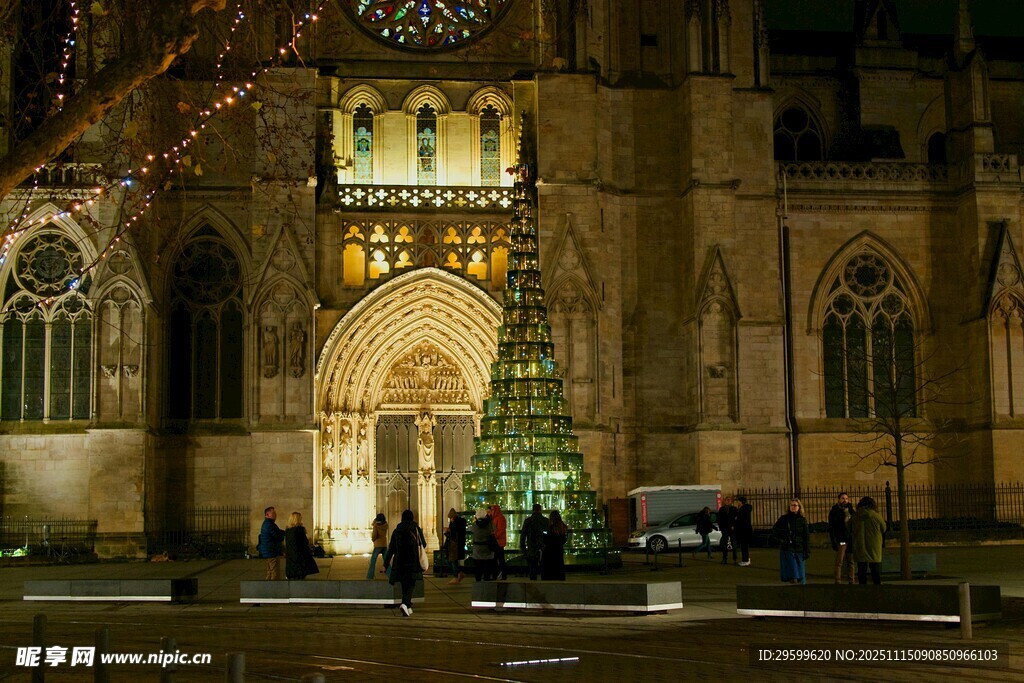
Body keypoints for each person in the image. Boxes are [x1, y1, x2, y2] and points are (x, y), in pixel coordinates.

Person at [384, 509, 422, 617]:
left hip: (400, 561)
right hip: (413, 561)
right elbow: (423, 544)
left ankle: (408, 606)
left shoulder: (397, 530)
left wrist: (386, 563)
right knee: (411, 584)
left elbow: (391, 548)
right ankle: (405, 603)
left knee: (404, 583)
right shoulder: (416, 528)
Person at [850, 496, 886, 586]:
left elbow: (849, 528)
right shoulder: (876, 516)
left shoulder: (855, 516)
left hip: (859, 545)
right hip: (874, 546)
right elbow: (884, 528)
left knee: (861, 570)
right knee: (875, 570)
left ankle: (863, 589)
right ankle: (877, 589)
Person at [773, 499, 810, 584]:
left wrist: (807, 549)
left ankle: (800, 582)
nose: (793, 507)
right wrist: (781, 539)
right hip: (788, 546)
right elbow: (775, 529)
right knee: (792, 566)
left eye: (795, 505)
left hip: (799, 546)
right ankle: (794, 579)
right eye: (791, 505)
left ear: (799, 507)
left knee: (800, 567)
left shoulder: (802, 520)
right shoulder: (784, 519)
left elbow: (806, 535)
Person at [828, 492, 856, 584]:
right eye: (843, 498)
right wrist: (834, 540)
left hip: (850, 539)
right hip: (841, 539)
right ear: (839, 499)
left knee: (851, 561)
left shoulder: (851, 511)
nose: (845, 500)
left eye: (846, 498)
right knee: (839, 560)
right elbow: (832, 527)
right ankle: (838, 580)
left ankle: (851, 580)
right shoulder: (835, 511)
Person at [284, 512, 319, 580]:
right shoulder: (299, 529)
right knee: (300, 575)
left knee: (293, 575)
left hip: (291, 556)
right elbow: (304, 542)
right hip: (300, 556)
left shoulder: (288, 530)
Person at [519, 503, 549, 580]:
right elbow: (548, 535)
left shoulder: (528, 521)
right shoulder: (545, 520)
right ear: (540, 510)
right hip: (543, 547)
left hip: (531, 547)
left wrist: (523, 547)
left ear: (532, 510)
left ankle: (533, 581)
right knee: (544, 567)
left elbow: (523, 535)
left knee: (532, 568)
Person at [258, 506, 285, 580]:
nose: (275, 515)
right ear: (267, 514)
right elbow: (277, 535)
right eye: (273, 513)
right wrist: (284, 534)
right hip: (271, 551)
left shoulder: (268, 523)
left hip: (268, 551)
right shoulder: (269, 524)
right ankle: (273, 585)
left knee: (270, 571)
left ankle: (268, 585)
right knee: (274, 572)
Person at [470, 508, 496, 582]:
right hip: (488, 547)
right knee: (487, 567)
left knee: (478, 567)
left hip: (477, 548)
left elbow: (471, 530)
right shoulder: (490, 524)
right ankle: (486, 581)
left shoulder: (474, 525)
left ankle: (478, 581)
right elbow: (494, 530)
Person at [541, 510, 568, 580]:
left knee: (549, 568)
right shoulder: (563, 527)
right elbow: (564, 539)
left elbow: (545, 538)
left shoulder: (549, 527)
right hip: (558, 550)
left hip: (549, 551)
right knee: (558, 566)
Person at [443, 507, 467, 584]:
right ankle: (459, 573)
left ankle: (456, 576)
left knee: (452, 561)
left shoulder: (455, 524)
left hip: (454, 545)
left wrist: (447, 531)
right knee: (452, 560)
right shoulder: (458, 523)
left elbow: (453, 535)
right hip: (456, 545)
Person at [489, 503, 508, 580]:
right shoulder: (497, 518)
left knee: (498, 559)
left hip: (498, 542)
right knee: (499, 559)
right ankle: (501, 574)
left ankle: (499, 574)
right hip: (498, 542)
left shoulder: (499, 518)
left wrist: (494, 535)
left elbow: (500, 530)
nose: (491, 511)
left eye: (492, 510)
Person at [367, 513, 388, 580]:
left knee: (373, 561)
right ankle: (390, 575)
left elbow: (374, 535)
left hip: (378, 545)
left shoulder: (376, 526)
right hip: (384, 544)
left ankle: (370, 576)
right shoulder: (385, 525)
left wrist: (373, 539)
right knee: (386, 562)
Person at [734, 496, 754, 566]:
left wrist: (737, 518)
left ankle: (745, 560)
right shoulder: (745, 509)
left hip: (744, 530)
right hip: (746, 529)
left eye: (738, 501)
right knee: (744, 546)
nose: (737, 503)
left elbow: (740, 519)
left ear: (741, 502)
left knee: (744, 546)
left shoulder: (742, 509)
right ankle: (746, 559)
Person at [718, 496, 738, 564]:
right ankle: (724, 558)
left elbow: (736, 519)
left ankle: (735, 558)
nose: (727, 501)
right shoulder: (722, 509)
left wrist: (734, 526)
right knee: (724, 544)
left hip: (732, 529)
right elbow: (719, 519)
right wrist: (721, 527)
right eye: (726, 500)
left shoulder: (734, 509)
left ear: (731, 501)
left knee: (734, 544)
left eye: (729, 500)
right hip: (724, 528)